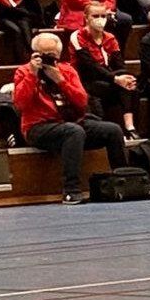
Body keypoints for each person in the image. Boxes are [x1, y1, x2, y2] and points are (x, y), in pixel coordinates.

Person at [13, 32, 128, 204]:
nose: (47, 59)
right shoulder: (23, 71)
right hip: (39, 127)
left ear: (58, 55)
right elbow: (20, 104)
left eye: (51, 55)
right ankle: (71, 189)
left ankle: (123, 180)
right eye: (42, 54)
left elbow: (82, 102)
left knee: (113, 130)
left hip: (72, 121)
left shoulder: (67, 70)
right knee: (74, 132)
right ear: (34, 54)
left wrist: (61, 81)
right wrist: (32, 74)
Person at [68, 0, 138, 138]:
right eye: (95, 16)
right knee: (117, 84)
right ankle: (127, 129)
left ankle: (130, 127)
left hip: (107, 76)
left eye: (103, 16)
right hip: (85, 78)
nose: (100, 19)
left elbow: (119, 63)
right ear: (86, 17)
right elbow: (89, 65)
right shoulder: (77, 36)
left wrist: (124, 77)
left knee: (130, 83)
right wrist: (115, 79)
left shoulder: (110, 37)